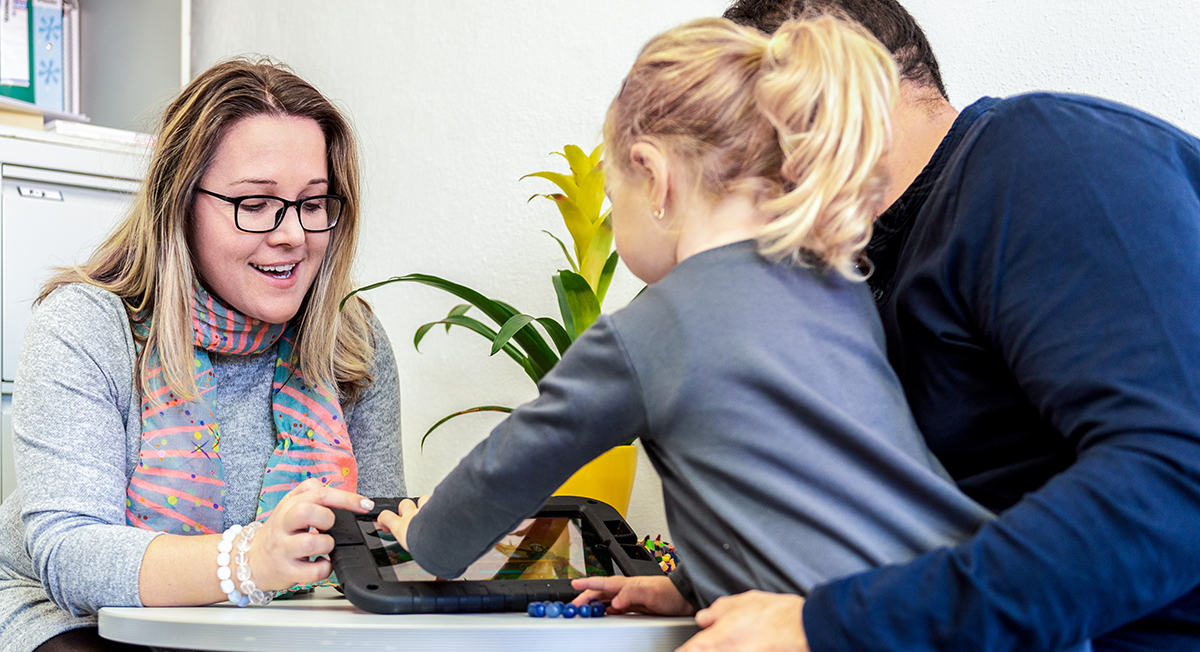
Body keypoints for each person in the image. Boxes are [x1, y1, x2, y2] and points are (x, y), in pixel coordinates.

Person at [376, 13, 992, 620]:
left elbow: (507, 469)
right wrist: (696, 584)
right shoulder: (836, 284)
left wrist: (426, 536)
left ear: (654, 176)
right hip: (957, 604)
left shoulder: (651, 331)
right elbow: (808, 484)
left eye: (616, 195)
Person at [672, 1, 1200, 651]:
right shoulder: (868, 272)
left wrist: (828, 625)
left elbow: (1176, 481)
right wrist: (711, 586)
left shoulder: (1042, 158)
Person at [0, 58, 404, 652]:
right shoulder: (86, 324)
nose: (292, 234)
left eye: (313, 203)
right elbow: (72, 554)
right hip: (77, 621)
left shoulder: (352, 340)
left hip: (268, 629)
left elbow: (374, 552)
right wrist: (248, 559)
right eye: (254, 202)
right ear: (179, 204)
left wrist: (423, 541)